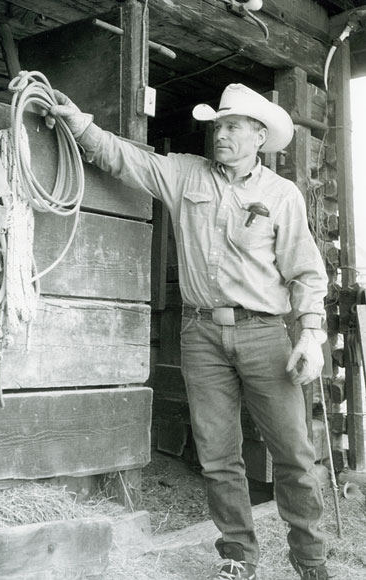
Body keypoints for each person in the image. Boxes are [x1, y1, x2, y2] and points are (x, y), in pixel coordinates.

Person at [44, 83, 332, 580]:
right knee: (219, 457)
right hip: (201, 336)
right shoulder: (183, 172)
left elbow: (306, 273)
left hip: (265, 335)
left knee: (295, 457)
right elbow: (122, 158)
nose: (221, 134)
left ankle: (311, 563)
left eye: (233, 126)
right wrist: (79, 123)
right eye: (218, 126)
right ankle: (238, 558)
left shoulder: (281, 196)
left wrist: (310, 333)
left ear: (259, 136)